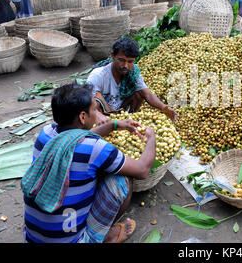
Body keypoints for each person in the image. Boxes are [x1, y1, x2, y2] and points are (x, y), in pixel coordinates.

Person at [21, 82, 158, 243]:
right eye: (94, 109)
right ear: (83, 117)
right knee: (122, 179)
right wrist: (151, 138)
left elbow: (75, 138)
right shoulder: (95, 148)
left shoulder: (45, 135)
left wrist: (114, 125)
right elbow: (142, 170)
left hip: (33, 238)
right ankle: (99, 236)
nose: (96, 113)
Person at [86, 37, 177, 126]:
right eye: (121, 60)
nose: (125, 65)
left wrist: (164, 107)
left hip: (120, 110)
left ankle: (128, 118)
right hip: (103, 112)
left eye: (130, 61)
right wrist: (99, 116)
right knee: (95, 100)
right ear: (113, 55)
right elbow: (87, 101)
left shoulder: (133, 73)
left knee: (139, 93)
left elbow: (148, 94)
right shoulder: (99, 75)